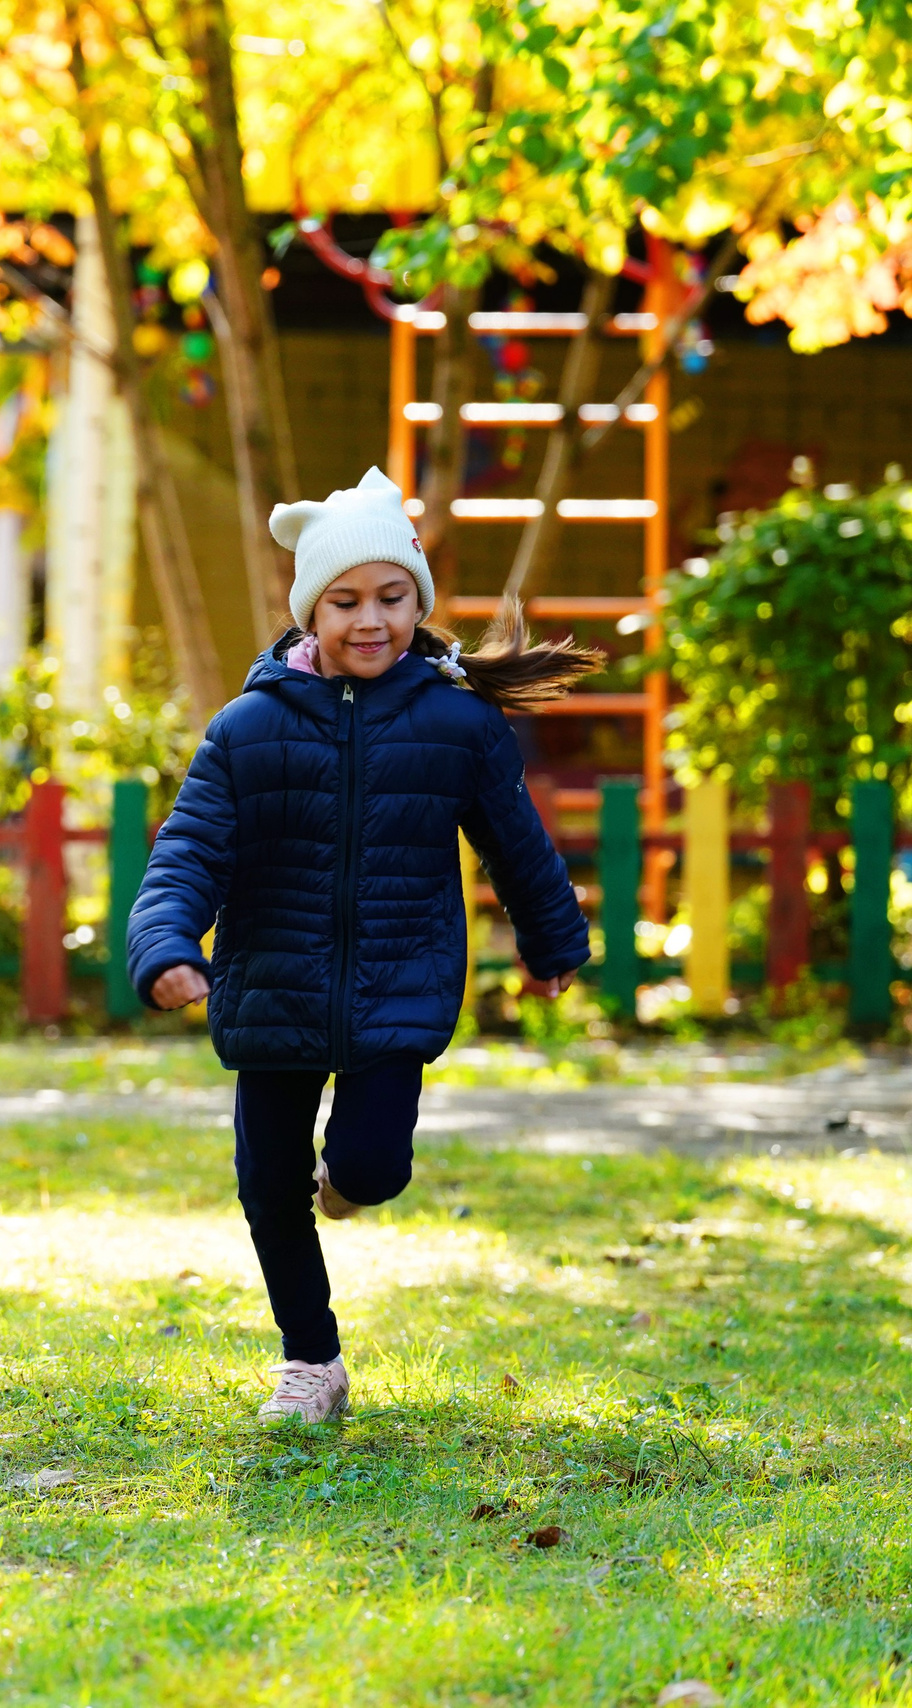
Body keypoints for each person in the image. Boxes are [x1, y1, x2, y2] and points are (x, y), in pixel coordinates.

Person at [128, 466, 596, 1424]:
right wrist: (167, 943)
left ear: (418, 605)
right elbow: (190, 849)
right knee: (269, 1186)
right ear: (310, 612)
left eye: (391, 597)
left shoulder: (458, 723)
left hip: (399, 982)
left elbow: (515, 841)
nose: (370, 620)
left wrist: (551, 939)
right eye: (345, 602)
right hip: (272, 986)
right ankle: (310, 1362)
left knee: (374, 1168)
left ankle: (346, 1181)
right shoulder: (248, 728)